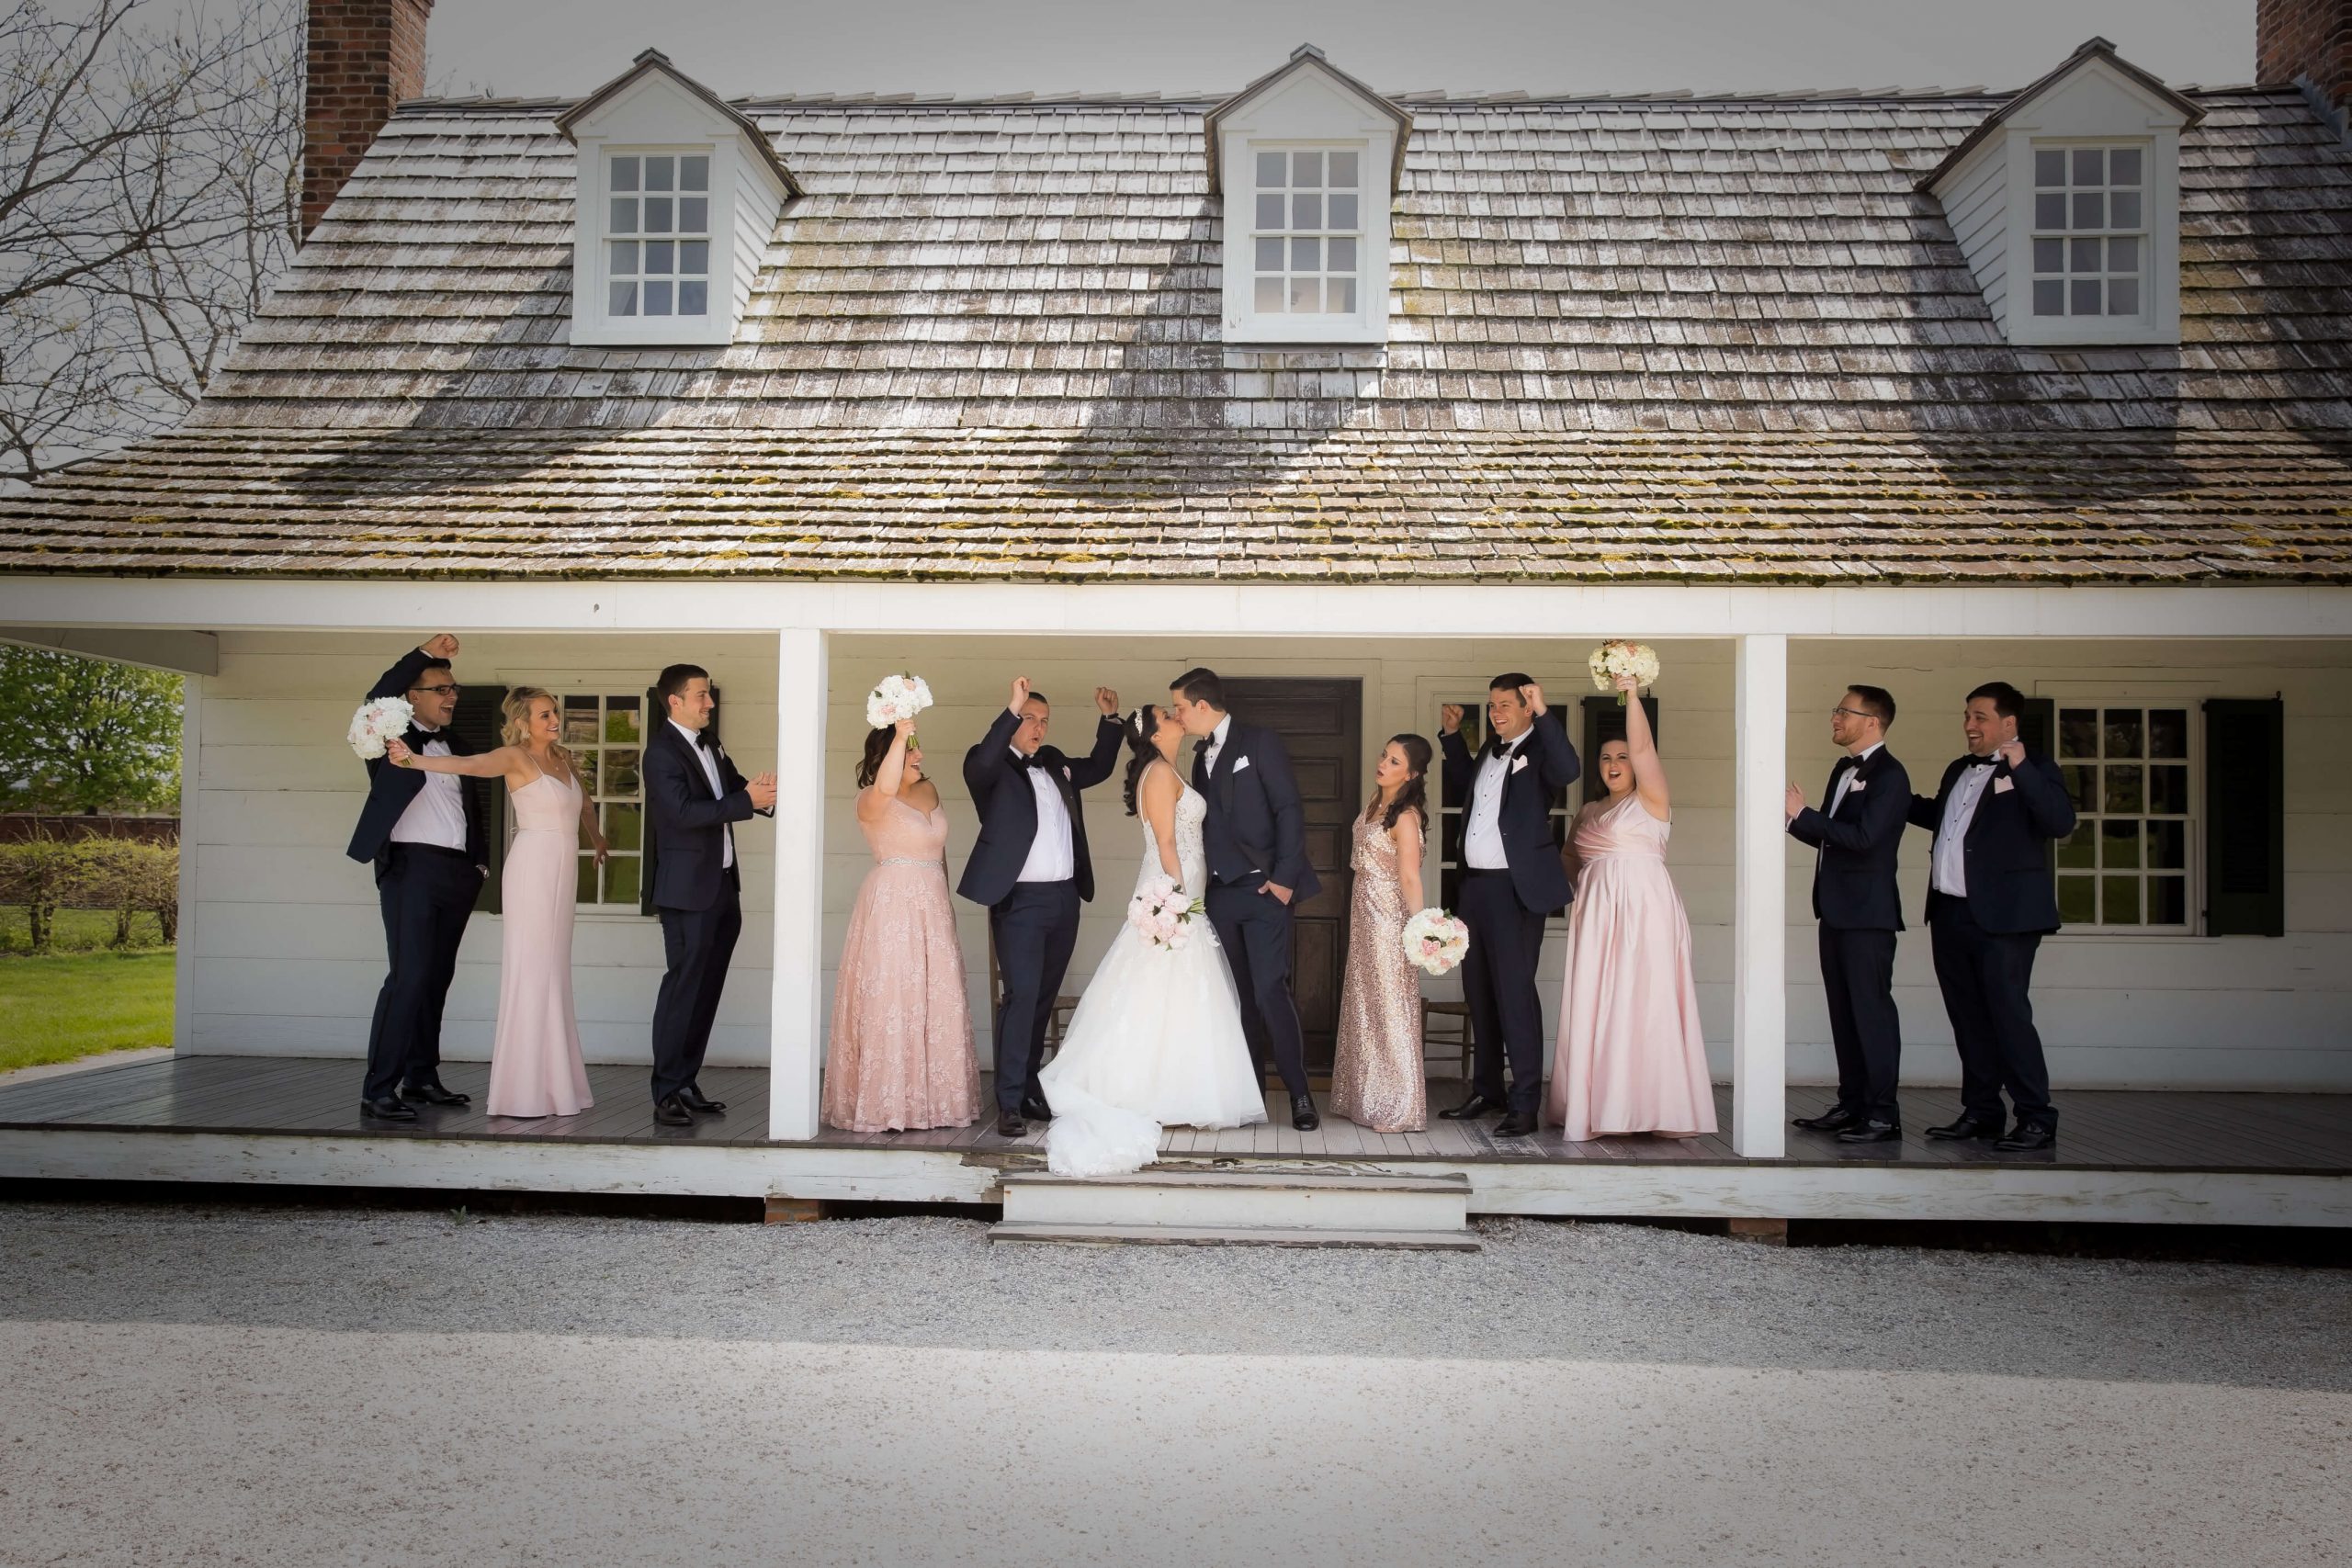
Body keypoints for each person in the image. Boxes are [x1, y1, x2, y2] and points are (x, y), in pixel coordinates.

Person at [1038, 705, 1268, 1175]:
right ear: (1156, 731)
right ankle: (1151, 1090)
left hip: (1181, 889)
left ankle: (1175, 1085)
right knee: (1161, 985)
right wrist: (1179, 897)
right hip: (1170, 890)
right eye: (1168, 714)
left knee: (1174, 992)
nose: (1177, 716)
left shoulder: (1166, 768)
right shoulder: (1160, 774)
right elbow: (1167, 841)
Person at [388, 687, 606, 1119]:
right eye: (545, 715)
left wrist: (598, 839)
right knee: (531, 969)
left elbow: (584, 805)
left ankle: (556, 1084)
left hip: (564, 869)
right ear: (523, 720)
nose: (554, 720)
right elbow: (467, 765)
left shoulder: (563, 758)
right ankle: (521, 1090)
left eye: (555, 713)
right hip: (532, 869)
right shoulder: (514, 757)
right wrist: (413, 760)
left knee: (554, 971)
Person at [1907, 681, 2077, 1152]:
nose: (1969, 725)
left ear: (2009, 723)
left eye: (1980, 717)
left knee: (2008, 1017)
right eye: (1967, 716)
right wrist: (1892, 793)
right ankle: (1982, 1112)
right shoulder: (1959, 770)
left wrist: (2020, 767)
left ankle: (2037, 1117)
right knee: (1967, 1018)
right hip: (1950, 912)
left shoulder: (2037, 768)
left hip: (2006, 919)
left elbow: (2059, 822)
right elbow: (1944, 819)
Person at [1547, 674, 1715, 1141]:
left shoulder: (1652, 800)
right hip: (1599, 917)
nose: (1615, 763)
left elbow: (1645, 753)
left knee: (1646, 1002)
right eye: (1605, 757)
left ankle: (1652, 1108)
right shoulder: (1588, 812)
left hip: (1646, 914)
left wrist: (1632, 695)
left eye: (1622, 756)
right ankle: (1599, 1109)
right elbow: (1567, 861)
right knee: (1598, 1004)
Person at [956, 676, 1125, 1138]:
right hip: (1020, 903)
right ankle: (1008, 1100)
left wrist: (1110, 721)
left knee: (1043, 997)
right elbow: (987, 757)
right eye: (1029, 719)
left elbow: (1100, 766)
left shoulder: (1053, 763)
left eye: (1043, 721)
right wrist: (1011, 709)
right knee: (1022, 995)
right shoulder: (986, 766)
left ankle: (1030, 1088)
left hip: (1064, 899)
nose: (1037, 728)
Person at [1170, 667, 1322, 1132]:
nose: (1177, 714)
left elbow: (1288, 809)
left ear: (1201, 705)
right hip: (1219, 895)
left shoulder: (1259, 742)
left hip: (1263, 890)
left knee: (1270, 990)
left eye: (1179, 706)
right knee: (1236, 998)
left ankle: (1299, 1094)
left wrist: (1283, 879)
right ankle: (1250, 1093)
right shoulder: (1199, 758)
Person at [345, 633, 487, 1122]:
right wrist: (425, 653)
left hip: (457, 872)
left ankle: (421, 1077)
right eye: (440, 688)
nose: (451, 697)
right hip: (410, 868)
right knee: (408, 978)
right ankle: (378, 1089)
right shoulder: (388, 736)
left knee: (436, 979)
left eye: (454, 690)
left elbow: (473, 811)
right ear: (412, 696)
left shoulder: (458, 744)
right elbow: (377, 695)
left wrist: (479, 865)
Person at [1436, 674, 1580, 1138]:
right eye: (1492, 704)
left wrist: (1544, 711)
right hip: (1474, 889)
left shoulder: (1541, 750)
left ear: (1525, 706)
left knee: (1515, 994)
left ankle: (1523, 1103)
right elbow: (1465, 789)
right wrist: (1454, 738)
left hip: (1516, 891)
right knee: (1479, 990)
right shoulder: (1488, 751)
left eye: (1506, 705)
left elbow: (1569, 769)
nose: (1496, 712)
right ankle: (1488, 1090)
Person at [821, 719, 979, 1133]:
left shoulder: (929, 790)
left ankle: (935, 1102)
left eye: (916, 748)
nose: (920, 756)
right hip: (891, 905)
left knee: (935, 999)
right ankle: (888, 1102)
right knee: (894, 997)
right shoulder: (870, 799)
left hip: (932, 903)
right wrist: (898, 731)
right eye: (911, 750)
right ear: (886, 754)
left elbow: (940, 852)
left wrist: (944, 901)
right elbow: (887, 787)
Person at [643, 663, 776, 1128]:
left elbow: (733, 788)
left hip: (721, 886)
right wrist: (747, 803)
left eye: (709, 695)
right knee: (683, 989)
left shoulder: (712, 743)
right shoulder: (660, 753)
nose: (710, 703)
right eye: (701, 696)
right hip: (686, 891)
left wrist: (766, 795)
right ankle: (665, 1091)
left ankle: (686, 1081)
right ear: (675, 701)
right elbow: (682, 813)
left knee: (707, 991)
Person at [1785, 684, 1911, 1144]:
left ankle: (1882, 1114)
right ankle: (1852, 1104)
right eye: (1836, 709)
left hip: (1868, 915)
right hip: (1835, 911)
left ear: (1872, 721)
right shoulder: (1843, 768)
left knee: (1871, 1014)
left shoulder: (1890, 775)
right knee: (1843, 1013)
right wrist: (1794, 820)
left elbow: (1864, 839)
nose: (1835, 718)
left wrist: (1805, 814)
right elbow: (1832, 838)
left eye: (1844, 711)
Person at [1329, 734, 1432, 1134]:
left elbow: (1409, 876)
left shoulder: (1405, 816)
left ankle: (1399, 1104)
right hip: (1364, 918)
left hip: (1390, 922)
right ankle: (1365, 1096)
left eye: (1394, 761)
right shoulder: (1375, 804)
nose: (1383, 764)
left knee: (1391, 1008)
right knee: (1365, 1004)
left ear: (1412, 773)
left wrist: (1421, 929)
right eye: (1383, 755)